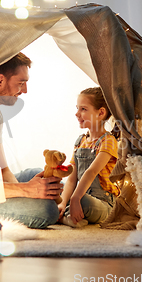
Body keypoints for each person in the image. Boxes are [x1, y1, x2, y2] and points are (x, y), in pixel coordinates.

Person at [0, 52, 63, 229]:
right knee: (47, 211)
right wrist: (27, 190)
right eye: (21, 83)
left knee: (44, 177)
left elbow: (3, 170)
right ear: (0, 80)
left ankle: (69, 204)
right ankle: (63, 209)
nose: (25, 90)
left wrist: (30, 190)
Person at [58, 87, 120, 228]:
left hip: (102, 202)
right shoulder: (81, 141)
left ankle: (65, 217)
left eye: (83, 109)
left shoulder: (108, 141)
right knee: (56, 193)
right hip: (79, 194)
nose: (77, 113)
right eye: (77, 108)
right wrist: (62, 202)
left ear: (101, 113)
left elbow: (91, 172)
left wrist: (75, 198)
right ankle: (67, 214)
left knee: (83, 201)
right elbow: (72, 178)